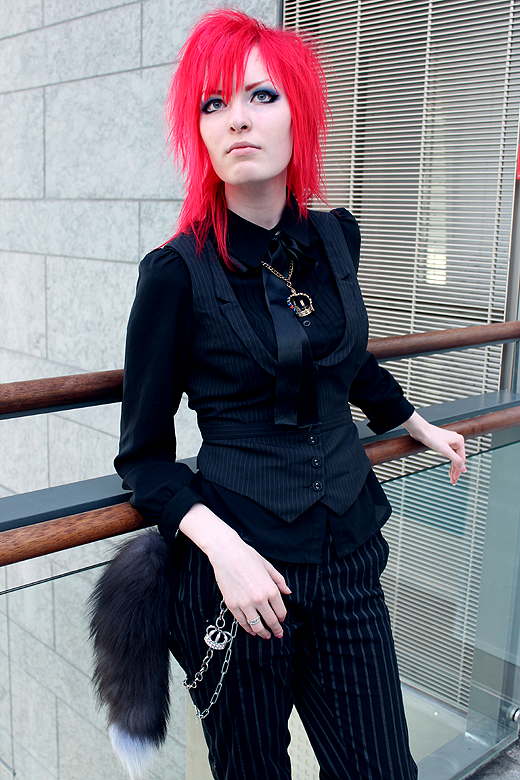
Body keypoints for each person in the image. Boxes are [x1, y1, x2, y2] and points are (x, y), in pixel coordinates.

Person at [113, 9, 466, 780]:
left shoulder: (337, 236)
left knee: (384, 770)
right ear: (199, 132)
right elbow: (143, 460)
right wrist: (225, 551)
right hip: (239, 579)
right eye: (213, 104)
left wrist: (413, 420)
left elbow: (345, 362)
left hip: (349, 555)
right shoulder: (175, 273)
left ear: (298, 115)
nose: (236, 118)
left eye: (261, 96)